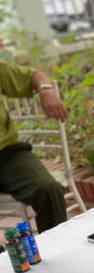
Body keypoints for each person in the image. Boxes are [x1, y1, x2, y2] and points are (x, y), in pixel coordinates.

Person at [0, 61, 68, 232]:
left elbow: (33, 76)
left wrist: (46, 89)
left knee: (48, 190)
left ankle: (57, 250)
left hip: (7, 153)